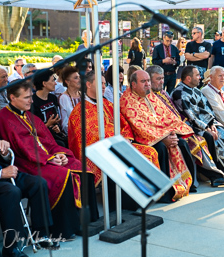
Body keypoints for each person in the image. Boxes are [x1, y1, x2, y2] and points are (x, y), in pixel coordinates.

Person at [0, 81, 99, 240]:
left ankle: (85, 220)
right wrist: (50, 159)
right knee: (62, 175)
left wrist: (59, 154)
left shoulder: (29, 114)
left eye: (31, 96)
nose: (31, 101)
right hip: (24, 163)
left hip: (44, 157)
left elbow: (47, 140)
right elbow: (22, 147)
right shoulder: (2, 118)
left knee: (80, 166)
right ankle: (63, 229)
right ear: (12, 97)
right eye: (26, 98)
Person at [68, 71, 160, 209]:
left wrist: (126, 140)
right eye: (101, 83)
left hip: (119, 144)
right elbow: (86, 138)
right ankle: (128, 203)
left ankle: (145, 195)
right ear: (88, 84)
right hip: (98, 151)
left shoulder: (107, 103)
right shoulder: (79, 111)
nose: (104, 86)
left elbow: (123, 124)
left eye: (105, 83)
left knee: (150, 152)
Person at [0, 101, 56, 257]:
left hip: (2, 170)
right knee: (11, 192)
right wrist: (0, 173)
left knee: (38, 183)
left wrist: (5, 150)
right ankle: (12, 247)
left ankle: (41, 233)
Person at [147, 65, 224, 190]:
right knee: (195, 141)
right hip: (172, 130)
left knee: (218, 133)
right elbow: (188, 114)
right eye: (158, 79)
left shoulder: (163, 93)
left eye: (162, 78)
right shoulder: (175, 92)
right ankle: (202, 177)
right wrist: (204, 127)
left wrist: (211, 124)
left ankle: (219, 170)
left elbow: (204, 109)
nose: (162, 82)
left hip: (181, 126)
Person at [120, 70, 195, 201]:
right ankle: (165, 192)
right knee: (160, 148)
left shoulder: (151, 96)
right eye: (143, 81)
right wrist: (164, 138)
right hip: (142, 138)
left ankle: (189, 183)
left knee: (181, 142)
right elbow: (139, 126)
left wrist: (172, 134)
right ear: (133, 84)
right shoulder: (126, 100)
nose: (148, 84)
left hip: (161, 134)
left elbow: (168, 116)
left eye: (148, 81)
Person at [172, 65, 224, 172]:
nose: (200, 77)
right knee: (209, 137)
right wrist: (207, 128)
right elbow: (190, 115)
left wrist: (212, 124)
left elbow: (207, 108)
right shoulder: (179, 92)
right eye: (197, 75)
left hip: (204, 123)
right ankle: (217, 169)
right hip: (190, 126)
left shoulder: (195, 90)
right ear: (188, 78)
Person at [32, 69, 67, 148]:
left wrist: (57, 127)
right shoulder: (33, 102)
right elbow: (33, 129)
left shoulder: (53, 98)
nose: (55, 83)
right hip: (42, 139)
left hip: (55, 134)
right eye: (52, 80)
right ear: (44, 83)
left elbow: (56, 118)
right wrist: (48, 125)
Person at [59, 66, 80, 134]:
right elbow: (65, 125)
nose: (79, 80)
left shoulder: (83, 95)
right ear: (67, 81)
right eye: (76, 78)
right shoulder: (64, 98)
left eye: (79, 77)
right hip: (74, 135)